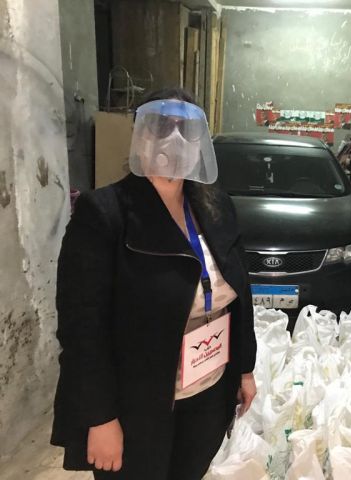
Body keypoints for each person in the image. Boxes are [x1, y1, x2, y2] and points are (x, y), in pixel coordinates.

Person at [51, 88, 257, 480]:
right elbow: (82, 328)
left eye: (185, 131)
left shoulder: (215, 206)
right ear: (140, 135)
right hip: (138, 404)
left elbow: (240, 295)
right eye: (161, 128)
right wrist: (100, 417)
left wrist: (244, 369)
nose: (173, 141)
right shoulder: (105, 214)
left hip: (207, 388)